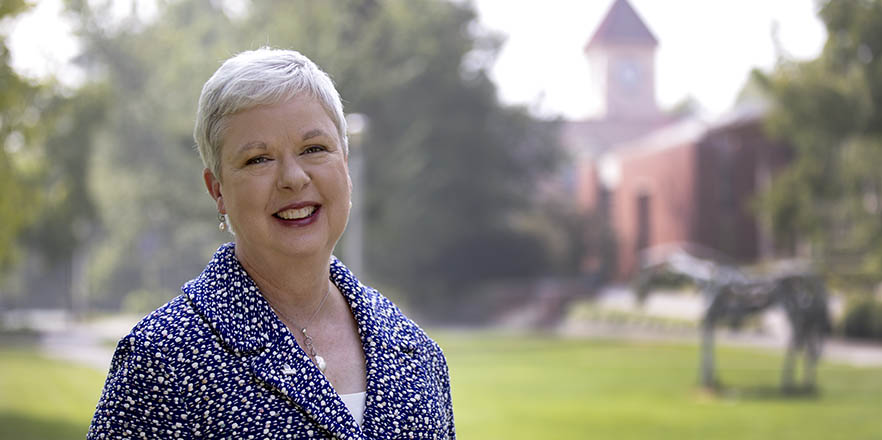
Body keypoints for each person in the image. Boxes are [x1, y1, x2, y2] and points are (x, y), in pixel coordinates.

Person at [88, 48, 455, 439]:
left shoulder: (416, 353)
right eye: (258, 159)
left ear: (345, 164)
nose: (293, 178)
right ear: (218, 191)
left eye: (314, 149)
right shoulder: (161, 360)